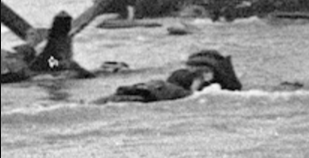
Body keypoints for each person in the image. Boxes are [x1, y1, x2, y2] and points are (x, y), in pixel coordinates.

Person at [97, 50, 241, 103]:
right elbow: (192, 94)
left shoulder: (182, 74)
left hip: (154, 90)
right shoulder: (192, 78)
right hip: (157, 92)